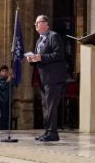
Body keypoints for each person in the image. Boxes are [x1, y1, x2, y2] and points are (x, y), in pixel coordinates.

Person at [26, 14, 66, 142]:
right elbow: (39, 57)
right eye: (36, 22)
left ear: (46, 24)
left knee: (51, 106)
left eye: (38, 22)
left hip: (53, 78)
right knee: (45, 106)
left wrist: (41, 58)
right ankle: (48, 131)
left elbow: (58, 54)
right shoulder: (39, 40)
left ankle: (53, 133)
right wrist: (32, 59)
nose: (36, 25)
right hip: (43, 78)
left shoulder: (53, 36)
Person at [0, 65, 12, 131]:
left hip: (9, 101)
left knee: (9, 117)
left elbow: (15, 85)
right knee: (4, 116)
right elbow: (1, 87)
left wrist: (12, 78)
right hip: (3, 100)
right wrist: (7, 81)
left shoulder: (10, 79)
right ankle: (3, 130)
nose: (4, 72)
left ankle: (9, 130)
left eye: (6, 71)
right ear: (0, 72)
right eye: (3, 71)